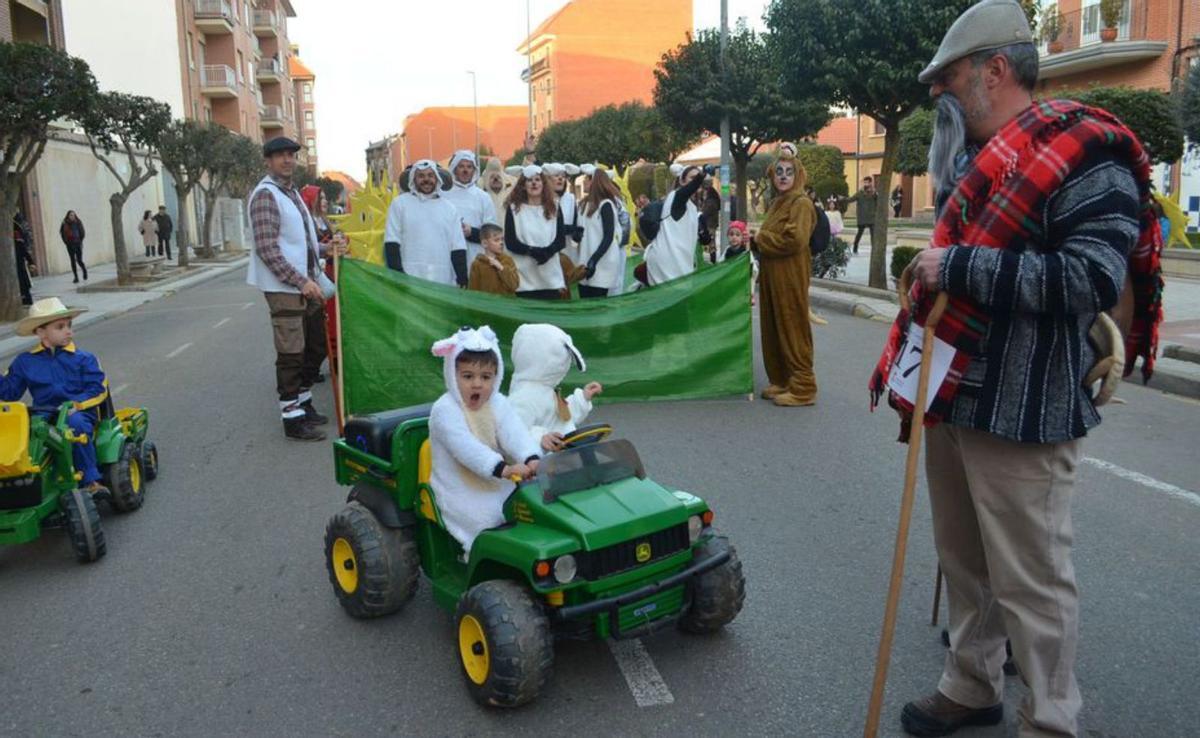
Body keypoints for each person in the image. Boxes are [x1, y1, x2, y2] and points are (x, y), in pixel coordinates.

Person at [871, 2, 1164, 735]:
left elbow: (1089, 278)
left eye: (951, 79)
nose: (940, 94)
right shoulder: (978, 160)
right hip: (957, 393)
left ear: (995, 70)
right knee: (964, 562)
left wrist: (958, 266)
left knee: (1032, 582)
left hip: (1027, 407)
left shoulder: (1085, 153)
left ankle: (1052, 719)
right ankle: (972, 682)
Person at [246, 136, 331, 442]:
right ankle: (291, 416)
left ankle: (305, 401)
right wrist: (302, 282)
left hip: (307, 284)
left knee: (315, 346)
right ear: (268, 161)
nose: (287, 160)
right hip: (286, 287)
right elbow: (267, 249)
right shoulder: (266, 195)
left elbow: (302, 243)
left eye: (291, 155)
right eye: (279, 156)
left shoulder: (291, 193)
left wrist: (326, 249)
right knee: (291, 353)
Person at [428, 326, 541, 554]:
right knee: (491, 517)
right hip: (458, 484)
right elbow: (466, 448)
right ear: (452, 374)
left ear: (496, 377)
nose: (477, 384)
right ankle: (475, 557)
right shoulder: (444, 410)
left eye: (486, 377)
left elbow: (514, 432)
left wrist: (532, 457)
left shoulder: (497, 402)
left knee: (531, 506)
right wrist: (503, 469)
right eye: (468, 376)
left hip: (498, 477)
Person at [1, 297, 110, 497]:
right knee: (21, 433)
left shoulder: (84, 358)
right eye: (60, 327)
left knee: (73, 424)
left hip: (78, 412)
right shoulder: (26, 361)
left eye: (69, 325)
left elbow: (99, 388)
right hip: (44, 414)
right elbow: (8, 393)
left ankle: (91, 480)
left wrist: (77, 404)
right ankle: (23, 485)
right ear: (41, 332)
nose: (68, 331)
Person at [751, 146, 817, 408]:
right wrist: (757, 239)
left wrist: (761, 238)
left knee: (792, 328)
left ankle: (803, 387)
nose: (783, 176)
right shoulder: (779, 202)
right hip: (772, 276)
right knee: (773, 327)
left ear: (798, 176)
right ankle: (781, 379)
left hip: (790, 277)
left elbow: (795, 240)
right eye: (779, 172)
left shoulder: (801, 203)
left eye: (789, 172)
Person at [508, 323, 603, 453]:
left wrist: (582, 398)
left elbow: (562, 418)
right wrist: (539, 438)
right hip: (543, 467)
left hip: (566, 457)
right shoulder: (522, 398)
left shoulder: (547, 391)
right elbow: (511, 433)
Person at [383, 160, 468, 287]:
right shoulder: (399, 204)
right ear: (413, 179)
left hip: (442, 279)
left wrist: (462, 278)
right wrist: (398, 275)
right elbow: (392, 241)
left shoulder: (449, 208)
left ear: (437, 178)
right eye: (421, 176)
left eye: (430, 175)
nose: (426, 179)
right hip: (409, 279)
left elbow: (457, 246)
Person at [301, 185, 348, 381]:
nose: (325, 201)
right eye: (320, 198)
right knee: (317, 324)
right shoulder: (308, 223)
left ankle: (334, 358)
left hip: (330, 273)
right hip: (317, 276)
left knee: (333, 318)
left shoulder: (325, 220)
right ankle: (311, 367)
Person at [503, 165, 568, 300]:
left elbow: (560, 239)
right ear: (523, 185)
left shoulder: (554, 207)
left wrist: (547, 252)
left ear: (543, 184)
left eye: (537, 179)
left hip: (550, 278)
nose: (534, 183)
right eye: (529, 180)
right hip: (524, 279)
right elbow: (510, 241)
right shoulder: (514, 209)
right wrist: (532, 251)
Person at [644, 165, 705, 286]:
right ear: (681, 181)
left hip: (676, 259)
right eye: (692, 177)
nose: (696, 181)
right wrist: (702, 174)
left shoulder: (688, 205)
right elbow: (691, 187)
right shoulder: (677, 197)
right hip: (669, 261)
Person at [444, 150, 498, 271]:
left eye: (469, 167)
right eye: (461, 166)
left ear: (474, 170)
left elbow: (493, 232)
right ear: (454, 169)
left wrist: (472, 232)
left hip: (477, 256)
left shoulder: (483, 197)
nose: (465, 170)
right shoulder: (444, 196)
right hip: (448, 256)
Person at [575, 167, 624, 298]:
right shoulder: (583, 205)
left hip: (601, 264)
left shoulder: (606, 205)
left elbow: (608, 237)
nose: (584, 182)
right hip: (585, 264)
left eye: (587, 179)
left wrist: (594, 260)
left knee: (598, 305)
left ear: (594, 182)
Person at [467, 223, 519, 295]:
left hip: (508, 305)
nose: (501, 243)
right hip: (487, 305)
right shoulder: (477, 265)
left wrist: (501, 268)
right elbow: (473, 291)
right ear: (485, 243)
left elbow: (514, 285)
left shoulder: (507, 260)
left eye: (502, 239)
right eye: (496, 240)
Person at [844, 177, 877, 254]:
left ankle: (874, 250)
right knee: (859, 233)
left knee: (873, 235)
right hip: (862, 216)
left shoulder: (874, 193)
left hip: (871, 216)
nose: (866, 184)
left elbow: (878, 202)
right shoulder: (860, 193)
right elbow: (851, 199)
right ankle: (855, 247)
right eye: (864, 182)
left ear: (870, 183)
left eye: (867, 182)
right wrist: (842, 199)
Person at [13, 213, 35, 306]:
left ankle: (27, 301)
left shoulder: (16, 230)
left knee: (24, 287)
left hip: (18, 263)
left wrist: (31, 262)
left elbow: (23, 248)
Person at [59, 210, 86, 283]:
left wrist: (80, 240)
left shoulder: (78, 222)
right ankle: (76, 277)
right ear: (68, 216)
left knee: (79, 260)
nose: (72, 216)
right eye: (71, 215)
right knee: (72, 260)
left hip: (77, 243)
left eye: (73, 215)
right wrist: (66, 242)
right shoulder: (64, 223)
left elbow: (82, 232)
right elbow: (62, 233)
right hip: (70, 244)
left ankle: (84, 270)